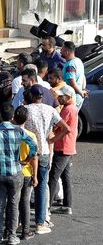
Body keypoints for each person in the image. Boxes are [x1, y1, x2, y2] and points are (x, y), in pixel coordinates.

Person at [23, 85, 71, 235]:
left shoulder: (26, 110)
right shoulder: (50, 110)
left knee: (24, 188)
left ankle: (20, 222)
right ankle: (40, 222)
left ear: (31, 96)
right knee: (42, 187)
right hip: (43, 151)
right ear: (42, 96)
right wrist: (53, 140)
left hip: (27, 152)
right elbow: (66, 128)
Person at [0, 104, 38, 245]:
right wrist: (26, 160)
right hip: (16, 172)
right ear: (12, 116)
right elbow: (34, 147)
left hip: (0, 172)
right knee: (14, 204)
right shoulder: (19, 130)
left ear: (1, 115)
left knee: (0, 204)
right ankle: (12, 235)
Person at [50, 85, 78, 216]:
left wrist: (52, 138)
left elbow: (58, 126)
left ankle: (46, 206)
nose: (58, 98)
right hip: (68, 147)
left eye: (61, 96)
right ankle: (67, 205)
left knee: (53, 177)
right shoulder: (71, 108)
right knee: (65, 177)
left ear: (67, 97)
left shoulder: (68, 110)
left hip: (63, 147)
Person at [13, 106, 39, 239]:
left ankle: (10, 229)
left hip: (13, 171)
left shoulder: (10, 133)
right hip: (27, 172)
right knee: (25, 202)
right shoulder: (30, 135)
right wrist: (35, 176)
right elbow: (34, 157)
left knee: (12, 202)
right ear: (27, 119)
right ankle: (25, 230)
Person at [62, 41, 88, 109]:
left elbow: (72, 83)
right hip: (78, 97)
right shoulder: (78, 61)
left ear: (67, 52)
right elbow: (83, 77)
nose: (60, 51)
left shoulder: (70, 65)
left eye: (62, 50)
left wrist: (81, 93)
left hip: (72, 98)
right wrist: (82, 90)